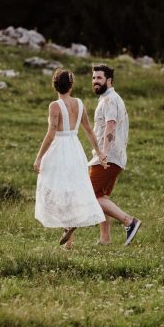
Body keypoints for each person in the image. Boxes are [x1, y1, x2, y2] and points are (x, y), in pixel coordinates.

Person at [61, 64, 142, 247]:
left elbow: (110, 126)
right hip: (110, 157)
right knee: (100, 198)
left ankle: (129, 222)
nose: (95, 82)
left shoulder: (110, 100)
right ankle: (105, 239)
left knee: (89, 195)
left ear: (109, 80)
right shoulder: (107, 99)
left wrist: (103, 152)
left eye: (99, 78)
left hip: (107, 157)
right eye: (93, 78)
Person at [34, 69, 107, 245]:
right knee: (72, 187)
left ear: (55, 85)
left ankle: (68, 228)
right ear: (71, 85)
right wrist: (99, 152)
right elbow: (89, 130)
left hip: (59, 148)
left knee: (55, 187)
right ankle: (69, 238)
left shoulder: (55, 105)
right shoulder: (79, 103)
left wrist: (39, 157)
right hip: (75, 148)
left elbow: (51, 133)